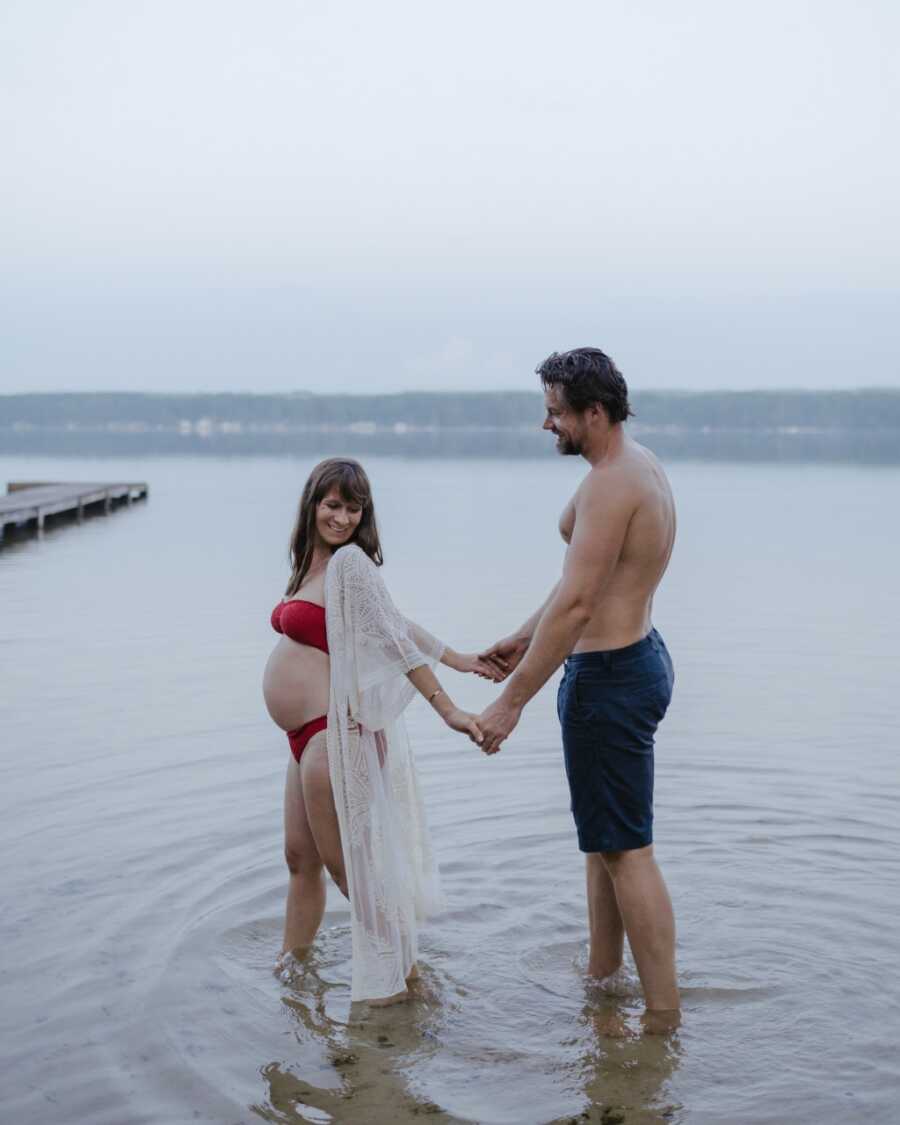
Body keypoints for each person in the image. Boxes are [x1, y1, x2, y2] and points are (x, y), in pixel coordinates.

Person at [477, 347, 680, 1031]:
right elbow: (576, 586)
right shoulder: (632, 465)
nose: (547, 424)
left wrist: (510, 702)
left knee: (628, 849)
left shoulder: (611, 483)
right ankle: (603, 981)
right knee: (605, 841)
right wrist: (524, 637)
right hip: (635, 659)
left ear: (595, 412)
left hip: (611, 676)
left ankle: (662, 1020)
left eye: (556, 412)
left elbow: (580, 606)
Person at [262, 457, 492, 1005]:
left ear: (364, 514)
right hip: (303, 742)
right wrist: (456, 655)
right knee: (300, 860)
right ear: (313, 504)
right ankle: (294, 971)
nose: (341, 517)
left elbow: (391, 639)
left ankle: (403, 991)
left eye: (353, 507)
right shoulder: (313, 569)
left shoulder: (350, 564)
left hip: (330, 738)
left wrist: (449, 706)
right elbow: (394, 621)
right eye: (332, 504)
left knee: (354, 877)